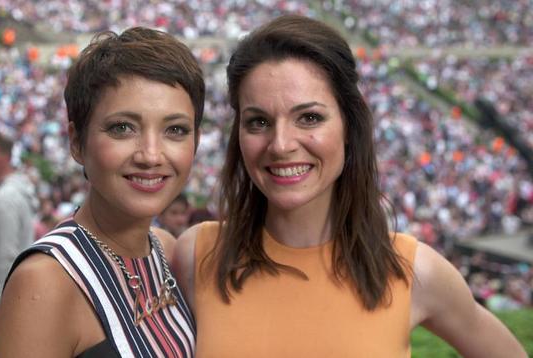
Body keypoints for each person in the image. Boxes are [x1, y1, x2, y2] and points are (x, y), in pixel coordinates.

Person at [173, 15, 527, 357]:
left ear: (349, 127)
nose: (281, 144)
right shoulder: (196, 257)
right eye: (258, 121)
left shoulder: (415, 272)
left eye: (309, 117)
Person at [0, 26, 204, 357]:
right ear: (77, 142)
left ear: (197, 141)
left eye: (175, 130)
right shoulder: (44, 283)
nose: (151, 154)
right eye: (123, 128)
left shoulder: (164, 249)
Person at [0, 134, 38, 333]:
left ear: (5, 158)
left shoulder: (6, 198)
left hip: (5, 294)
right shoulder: (12, 191)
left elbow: (7, 254)